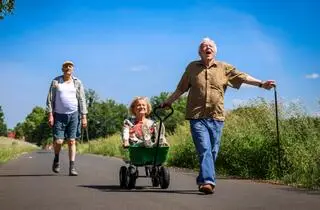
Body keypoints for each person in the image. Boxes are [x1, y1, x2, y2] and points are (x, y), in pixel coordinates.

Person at [161, 37, 275, 194]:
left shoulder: (224, 67)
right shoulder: (192, 68)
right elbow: (181, 89)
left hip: (217, 116)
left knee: (213, 151)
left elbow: (243, 77)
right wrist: (168, 102)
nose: (207, 48)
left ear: (215, 50)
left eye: (210, 46)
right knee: (205, 149)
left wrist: (262, 84)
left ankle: (203, 179)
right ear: (199, 52)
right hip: (197, 117)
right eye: (204, 46)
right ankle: (208, 181)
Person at [46, 60, 88, 176]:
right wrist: (50, 115)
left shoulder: (77, 82)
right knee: (59, 141)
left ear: (73, 69)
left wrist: (84, 116)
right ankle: (56, 158)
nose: (68, 68)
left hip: (74, 114)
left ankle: (72, 167)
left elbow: (82, 99)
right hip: (59, 115)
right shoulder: (56, 81)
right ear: (62, 69)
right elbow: (50, 99)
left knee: (72, 141)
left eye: (70, 66)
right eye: (65, 66)